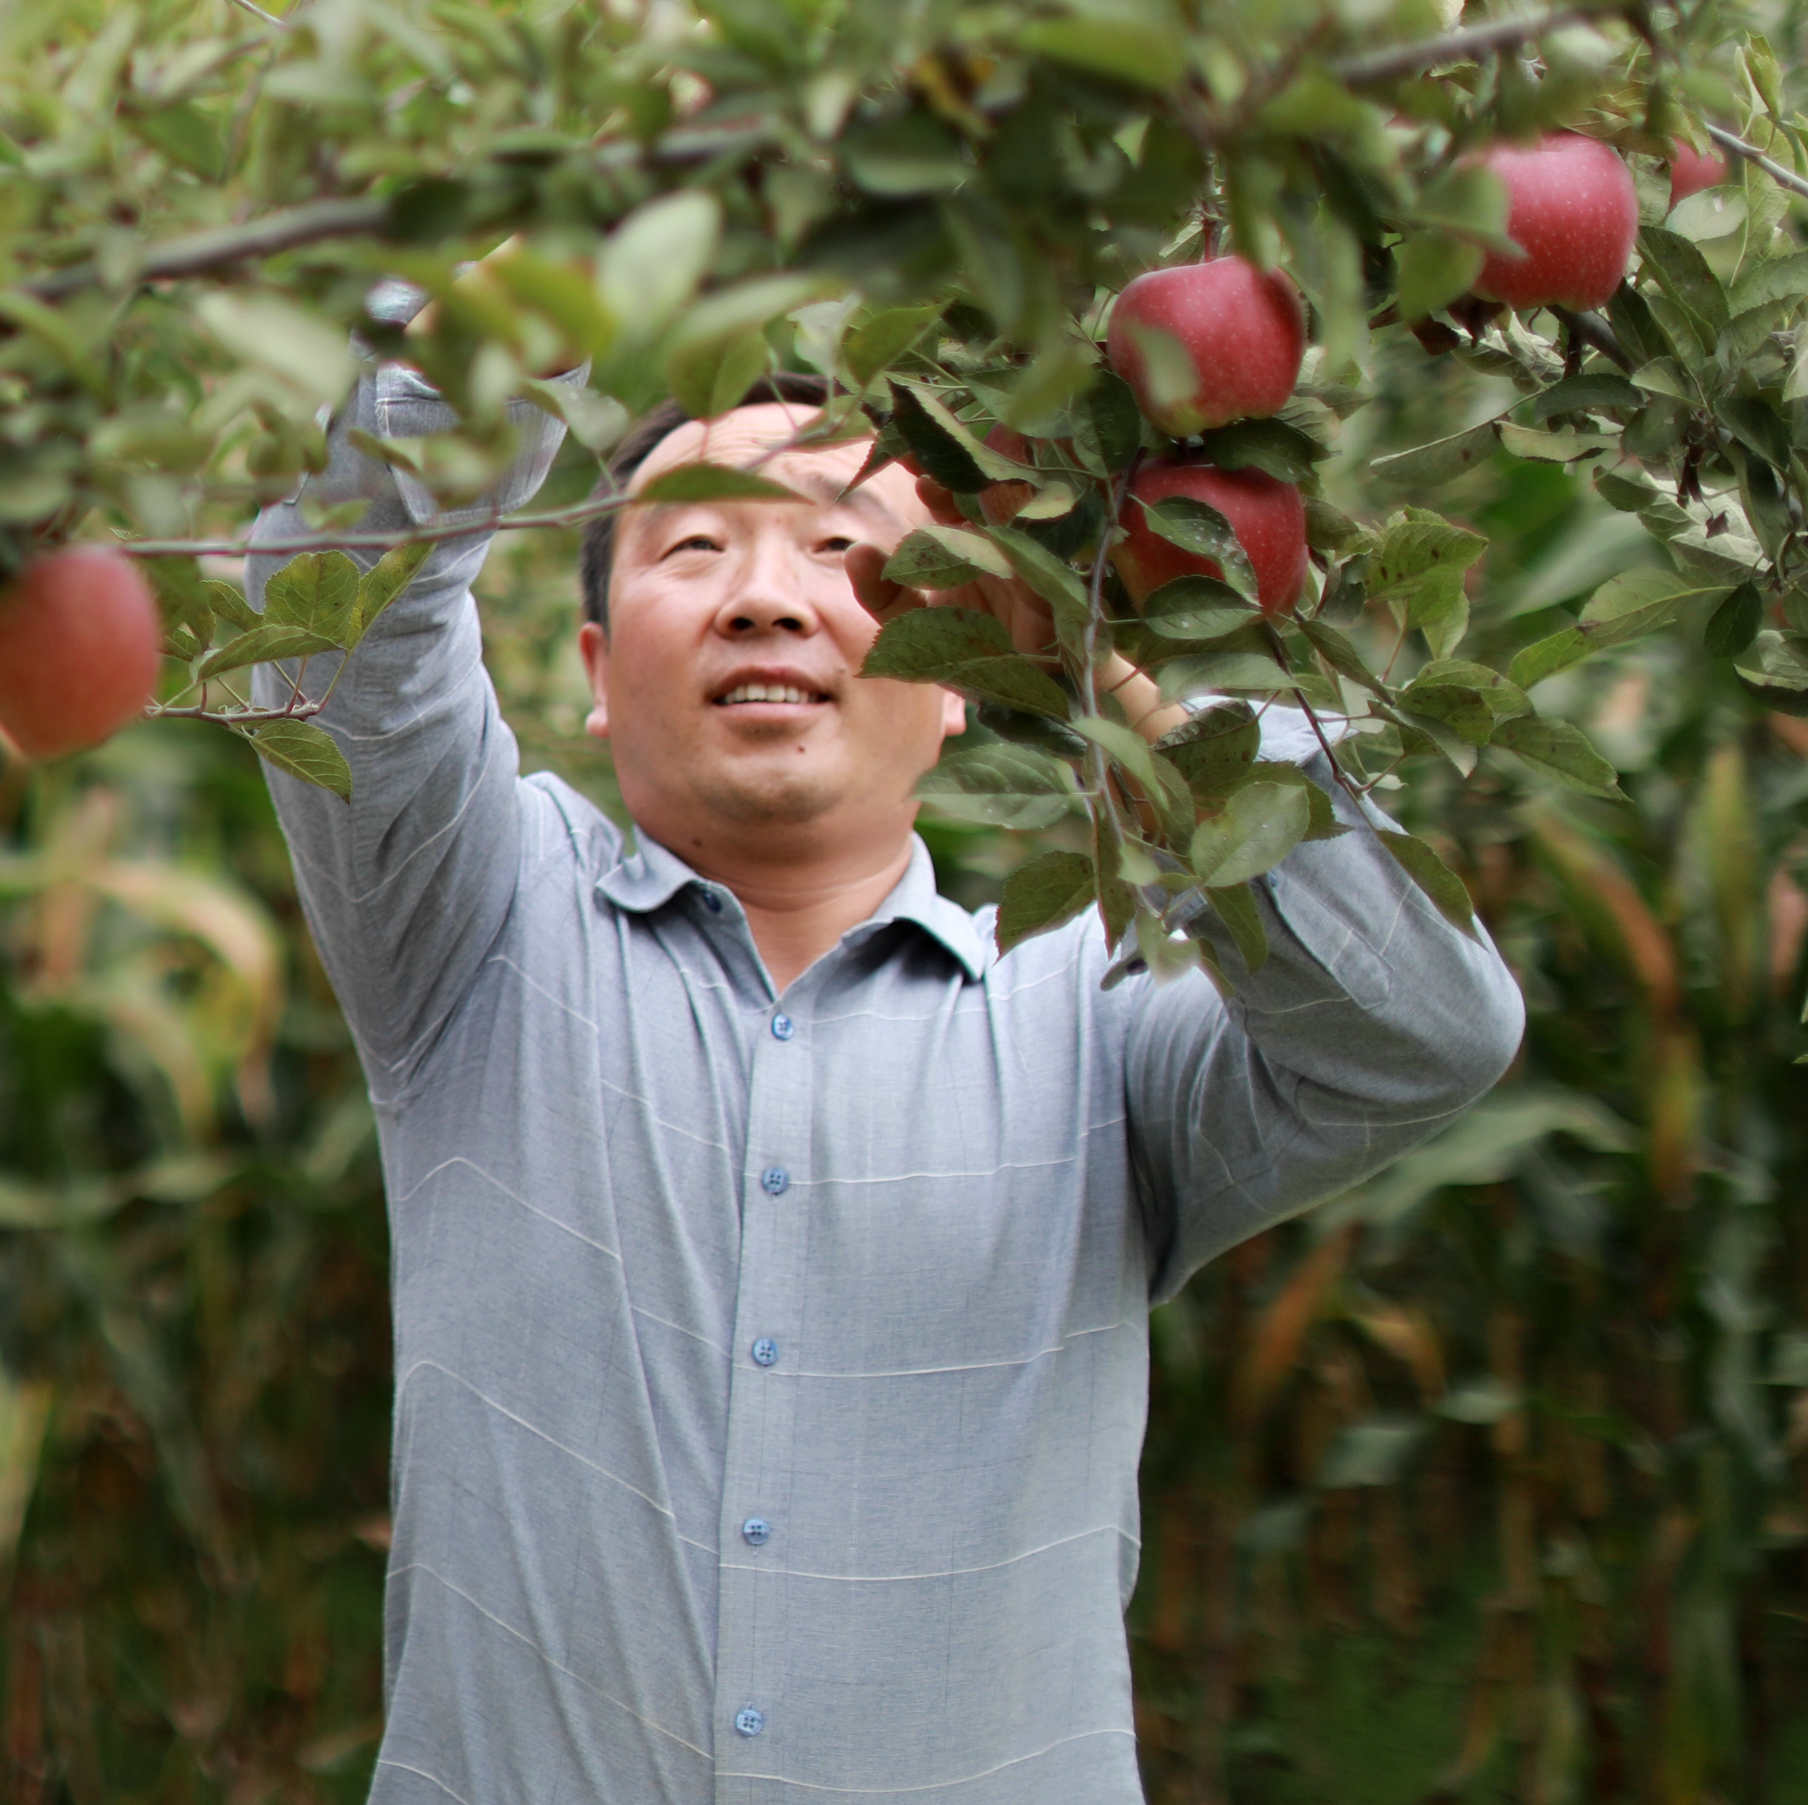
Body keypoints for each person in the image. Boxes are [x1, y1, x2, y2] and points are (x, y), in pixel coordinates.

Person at [249, 361, 1521, 1805]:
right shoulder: (476, 935)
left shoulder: (1096, 1023)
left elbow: (1424, 1028)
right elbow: (334, 612)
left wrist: (1117, 658)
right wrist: (549, 269)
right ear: (600, 675)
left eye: (844, 547)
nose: (768, 598)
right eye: (696, 546)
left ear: (968, 669)